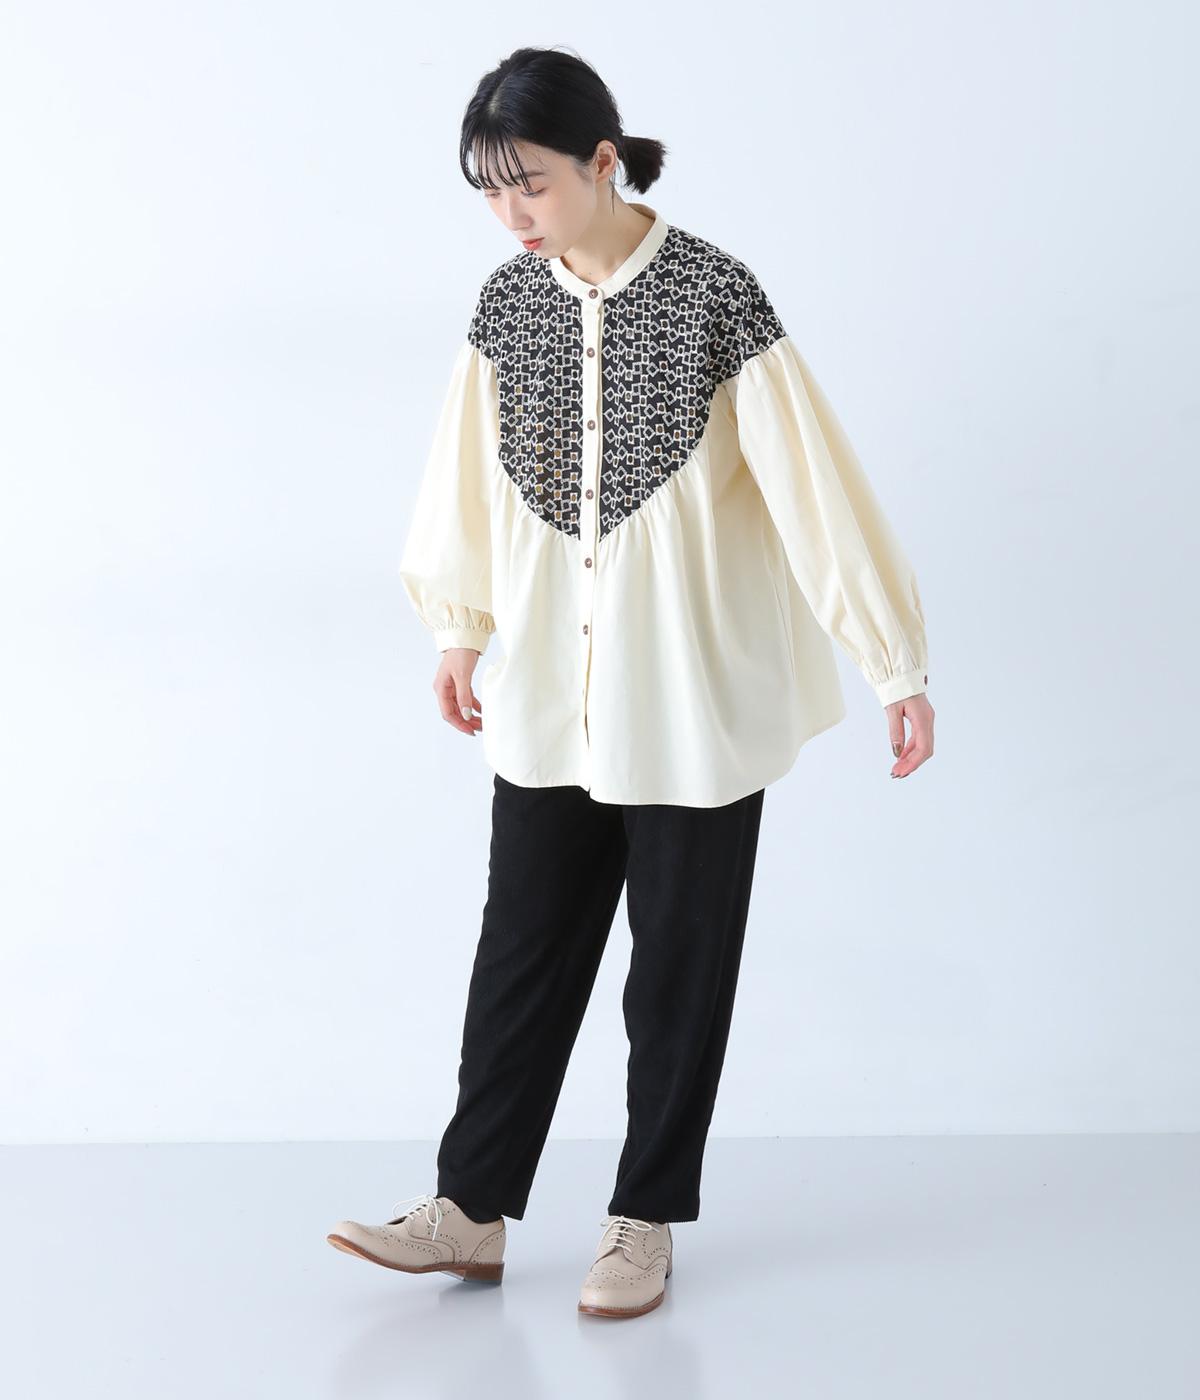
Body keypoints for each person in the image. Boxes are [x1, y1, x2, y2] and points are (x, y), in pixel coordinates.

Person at [327, 45, 935, 1320]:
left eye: (532, 183)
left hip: (691, 698)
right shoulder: (508, 306)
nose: (512, 214)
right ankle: (469, 1209)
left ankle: (643, 1218)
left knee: (676, 975)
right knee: (521, 956)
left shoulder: (715, 295)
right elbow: (462, 479)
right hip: (552, 691)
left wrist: (894, 660)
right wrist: (458, 628)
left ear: (603, 161)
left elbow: (814, 488)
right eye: (490, 191)